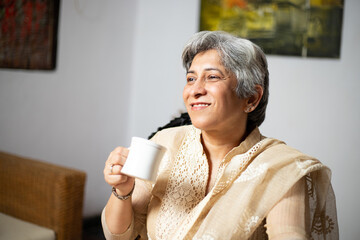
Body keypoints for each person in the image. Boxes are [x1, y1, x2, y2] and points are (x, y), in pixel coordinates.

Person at [102, 31, 338, 240]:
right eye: (191, 78)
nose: (195, 90)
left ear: (251, 98)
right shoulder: (165, 142)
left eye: (212, 77)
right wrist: (123, 189)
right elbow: (118, 235)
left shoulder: (281, 169)